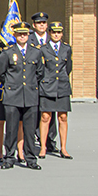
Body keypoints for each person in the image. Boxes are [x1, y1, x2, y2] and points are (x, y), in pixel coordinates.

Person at [0, 22, 44, 170]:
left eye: (25, 34)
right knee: (11, 129)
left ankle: (31, 159)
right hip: (13, 95)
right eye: (19, 34)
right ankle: (9, 158)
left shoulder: (36, 52)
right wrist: (12, 84)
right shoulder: (7, 52)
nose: (22, 36)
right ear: (15, 35)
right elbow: (0, 73)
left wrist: (30, 84)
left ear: (28, 35)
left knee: (29, 130)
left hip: (30, 95)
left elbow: (40, 73)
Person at [38, 21, 73, 159]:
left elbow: (68, 67)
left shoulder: (66, 48)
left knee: (63, 117)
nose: (56, 35)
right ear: (49, 33)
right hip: (48, 86)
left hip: (62, 86)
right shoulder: (43, 49)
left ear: (62, 34)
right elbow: (41, 69)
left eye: (59, 32)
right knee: (45, 117)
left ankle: (63, 148)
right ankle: (43, 147)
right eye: (54, 32)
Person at [31, 12, 58, 153]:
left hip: (50, 82)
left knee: (50, 113)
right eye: (38, 23)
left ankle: (50, 141)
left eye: (43, 23)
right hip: (34, 81)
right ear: (34, 25)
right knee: (34, 111)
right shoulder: (29, 39)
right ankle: (34, 139)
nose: (41, 25)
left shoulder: (52, 39)